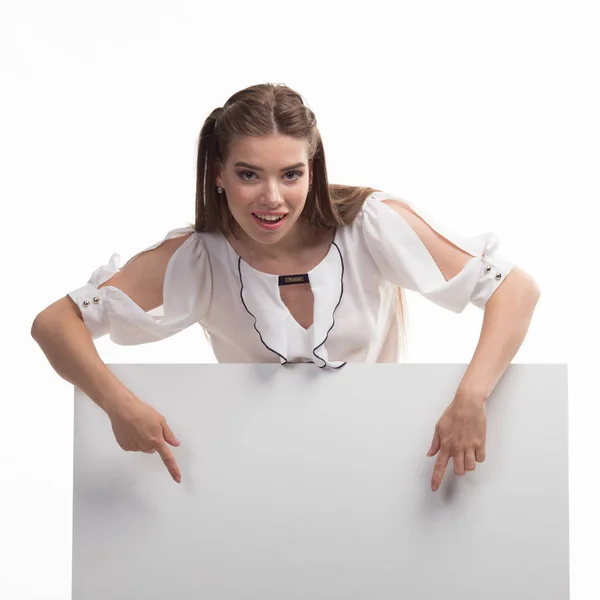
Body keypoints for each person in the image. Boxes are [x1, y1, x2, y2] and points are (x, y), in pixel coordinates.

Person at [31, 82, 540, 490]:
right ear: (218, 174)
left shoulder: (369, 224)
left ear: (313, 171)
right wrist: (119, 405)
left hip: (387, 462)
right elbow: (55, 323)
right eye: (249, 174)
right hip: (256, 473)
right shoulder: (199, 255)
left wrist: (471, 398)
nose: (271, 198)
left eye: (291, 174)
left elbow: (514, 289)